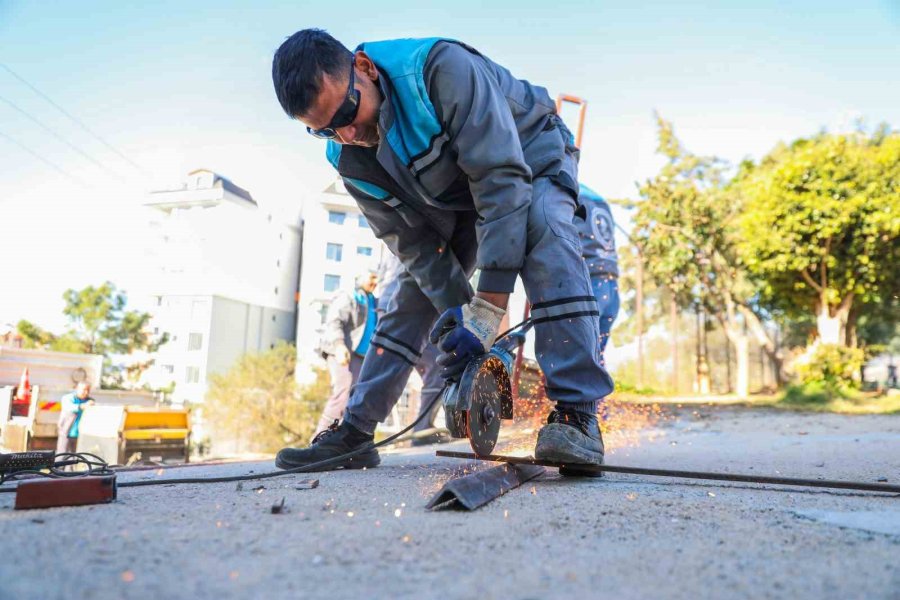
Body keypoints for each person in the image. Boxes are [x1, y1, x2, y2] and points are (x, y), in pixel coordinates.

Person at [272, 31, 613, 475]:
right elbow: (413, 245)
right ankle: (355, 431)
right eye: (324, 130)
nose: (347, 133)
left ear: (365, 68)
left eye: (348, 112)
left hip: (529, 155)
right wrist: (460, 317)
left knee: (542, 231)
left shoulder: (440, 71)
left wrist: (487, 310)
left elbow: (501, 183)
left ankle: (577, 415)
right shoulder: (348, 156)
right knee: (406, 293)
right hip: (454, 194)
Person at [376, 252, 448, 446]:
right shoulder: (415, 237)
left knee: (394, 367)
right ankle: (422, 430)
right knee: (437, 365)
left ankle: (357, 431)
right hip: (404, 301)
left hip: (394, 301)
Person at [311, 269, 379, 438]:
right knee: (343, 393)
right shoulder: (349, 296)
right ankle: (319, 438)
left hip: (359, 356)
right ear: (361, 276)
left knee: (356, 398)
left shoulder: (372, 301)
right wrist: (339, 345)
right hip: (340, 351)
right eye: (372, 277)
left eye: (377, 278)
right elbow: (334, 321)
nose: (375, 281)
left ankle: (341, 438)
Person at [575, 184, 620, 364]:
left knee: (581, 350)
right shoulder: (598, 200)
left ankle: (580, 389)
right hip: (610, 282)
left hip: (589, 281)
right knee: (596, 352)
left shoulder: (568, 191)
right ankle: (596, 389)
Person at [56, 381, 94, 455]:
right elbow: (70, 407)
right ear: (77, 389)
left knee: (75, 457)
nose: (86, 392)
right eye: (84, 389)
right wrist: (83, 406)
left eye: (88, 390)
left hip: (81, 435)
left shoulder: (90, 401)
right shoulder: (68, 398)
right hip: (66, 432)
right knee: (62, 456)